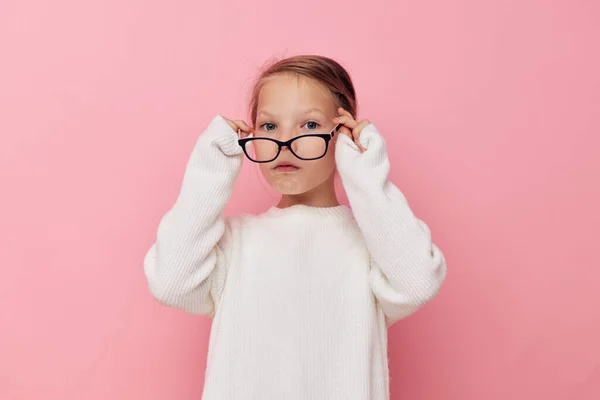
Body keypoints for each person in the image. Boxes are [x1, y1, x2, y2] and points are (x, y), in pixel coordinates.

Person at [143, 54, 447, 399]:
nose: (285, 143)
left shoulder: (373, 246)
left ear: (343, 133)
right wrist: (211, 168)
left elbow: (418, 281)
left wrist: (365, 172)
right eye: (270, 126)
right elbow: (171, 283)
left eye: (310, 125)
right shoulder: (235, 242)